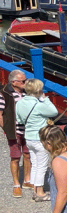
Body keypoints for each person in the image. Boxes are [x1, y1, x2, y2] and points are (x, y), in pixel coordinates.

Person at [15, 79, 58, 201]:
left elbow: (20, 120)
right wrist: (46, 99)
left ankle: (35, 189)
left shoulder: (19, 103)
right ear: (38, 91)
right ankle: (40, 193)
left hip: (28, 138)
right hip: (41, 139)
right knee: (42, 166)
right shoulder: (39, 105)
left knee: (35, 164)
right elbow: (54, 111)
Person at [1, 70, 32, 198]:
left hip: (28, 130)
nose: (26, 83)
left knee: (27, 154)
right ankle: (16, 185)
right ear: (14, 82)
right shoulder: (4, 93)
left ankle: (27, 181)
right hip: (14, 131)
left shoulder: (27, 93)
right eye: (23, 81)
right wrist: (6, 129)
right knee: (15, 157)